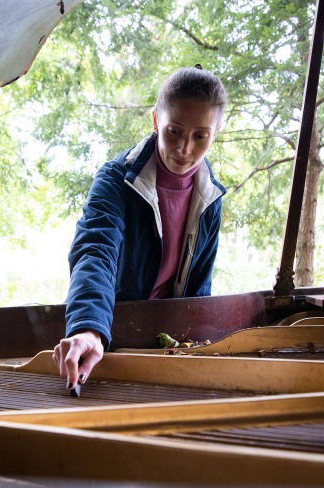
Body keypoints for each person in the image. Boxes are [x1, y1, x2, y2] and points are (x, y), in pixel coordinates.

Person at [53, 66, 228, 391]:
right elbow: (95, 253)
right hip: (111, 337)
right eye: (174, 131)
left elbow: (199, 286)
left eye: (200, 136)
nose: (184, 149)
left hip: (172, 346)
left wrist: (195, 349)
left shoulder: (211, 197)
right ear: (155, 121)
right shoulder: (115, 180)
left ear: (214, 133)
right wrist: (89, 328)